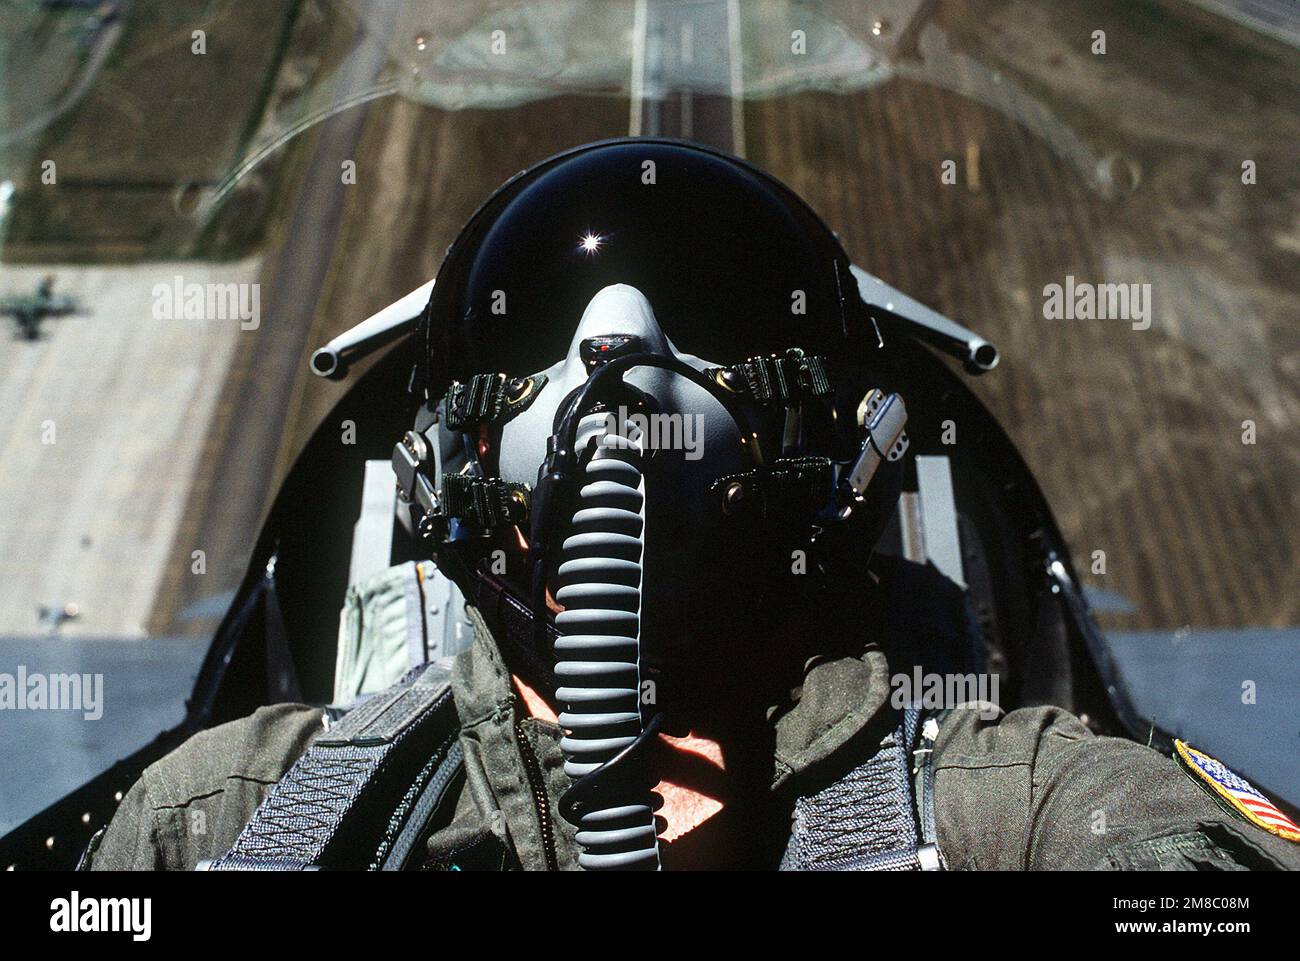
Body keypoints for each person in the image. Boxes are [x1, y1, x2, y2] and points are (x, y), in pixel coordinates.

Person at [84, 141, 1299, 871]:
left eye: (718, 333)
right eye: (536, 344)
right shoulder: (222, 821)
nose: (614, 362)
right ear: (443, 470)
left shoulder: (1029, 814)